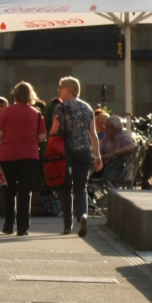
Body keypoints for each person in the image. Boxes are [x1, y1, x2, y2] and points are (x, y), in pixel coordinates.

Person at [49, 76, 102, 237]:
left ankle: (67, 226)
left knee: (66, 186)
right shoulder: (87, 108)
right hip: (84, 151)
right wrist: (97, 155)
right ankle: (82, 215)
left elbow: (53, 131)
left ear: (69, 89)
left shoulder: (61, 108)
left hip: (66, 153)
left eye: (61, 87)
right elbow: (93, 134)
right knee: (81, 186)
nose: (58, 89)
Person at [0, 82, 47, 237]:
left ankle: (9, 225)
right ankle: (23, 227)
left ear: (15, 95)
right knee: (25, 191)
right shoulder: (36, 113)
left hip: (8, 154)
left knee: (9, 191)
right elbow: (42, 136)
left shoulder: (7, 111)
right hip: (30, 155)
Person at [99, 115, 137, 182]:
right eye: (105, 126)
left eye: (108, 127)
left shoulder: (122, 138)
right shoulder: (107, 137)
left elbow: (133, 146)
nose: (105, 129)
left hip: (112, 168)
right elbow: (100, 149)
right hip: (103, 165)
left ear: (116, 129)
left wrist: (115, 152)